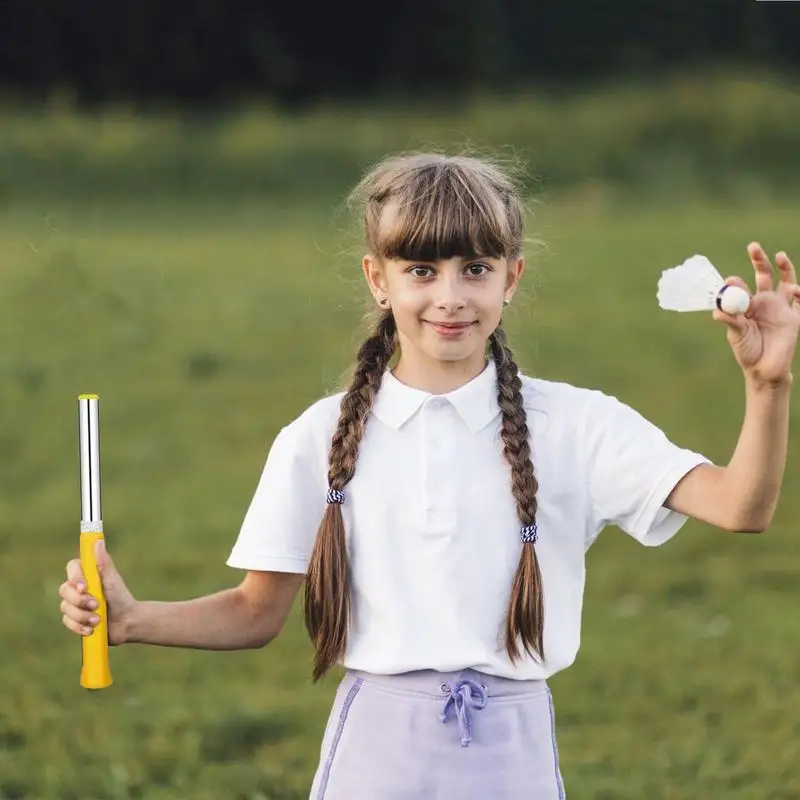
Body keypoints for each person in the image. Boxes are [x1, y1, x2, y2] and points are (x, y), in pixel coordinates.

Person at [58, 153, 799, 799]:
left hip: (514, 758)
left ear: (512, 277)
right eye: (422, 271)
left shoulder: (578, 425)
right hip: (375, 755)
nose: (450, 296)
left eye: (475, 269)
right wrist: (131, 620)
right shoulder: (316, 438)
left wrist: (767, 388)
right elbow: (257, 613)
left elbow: (741, 507)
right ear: (378, 280)